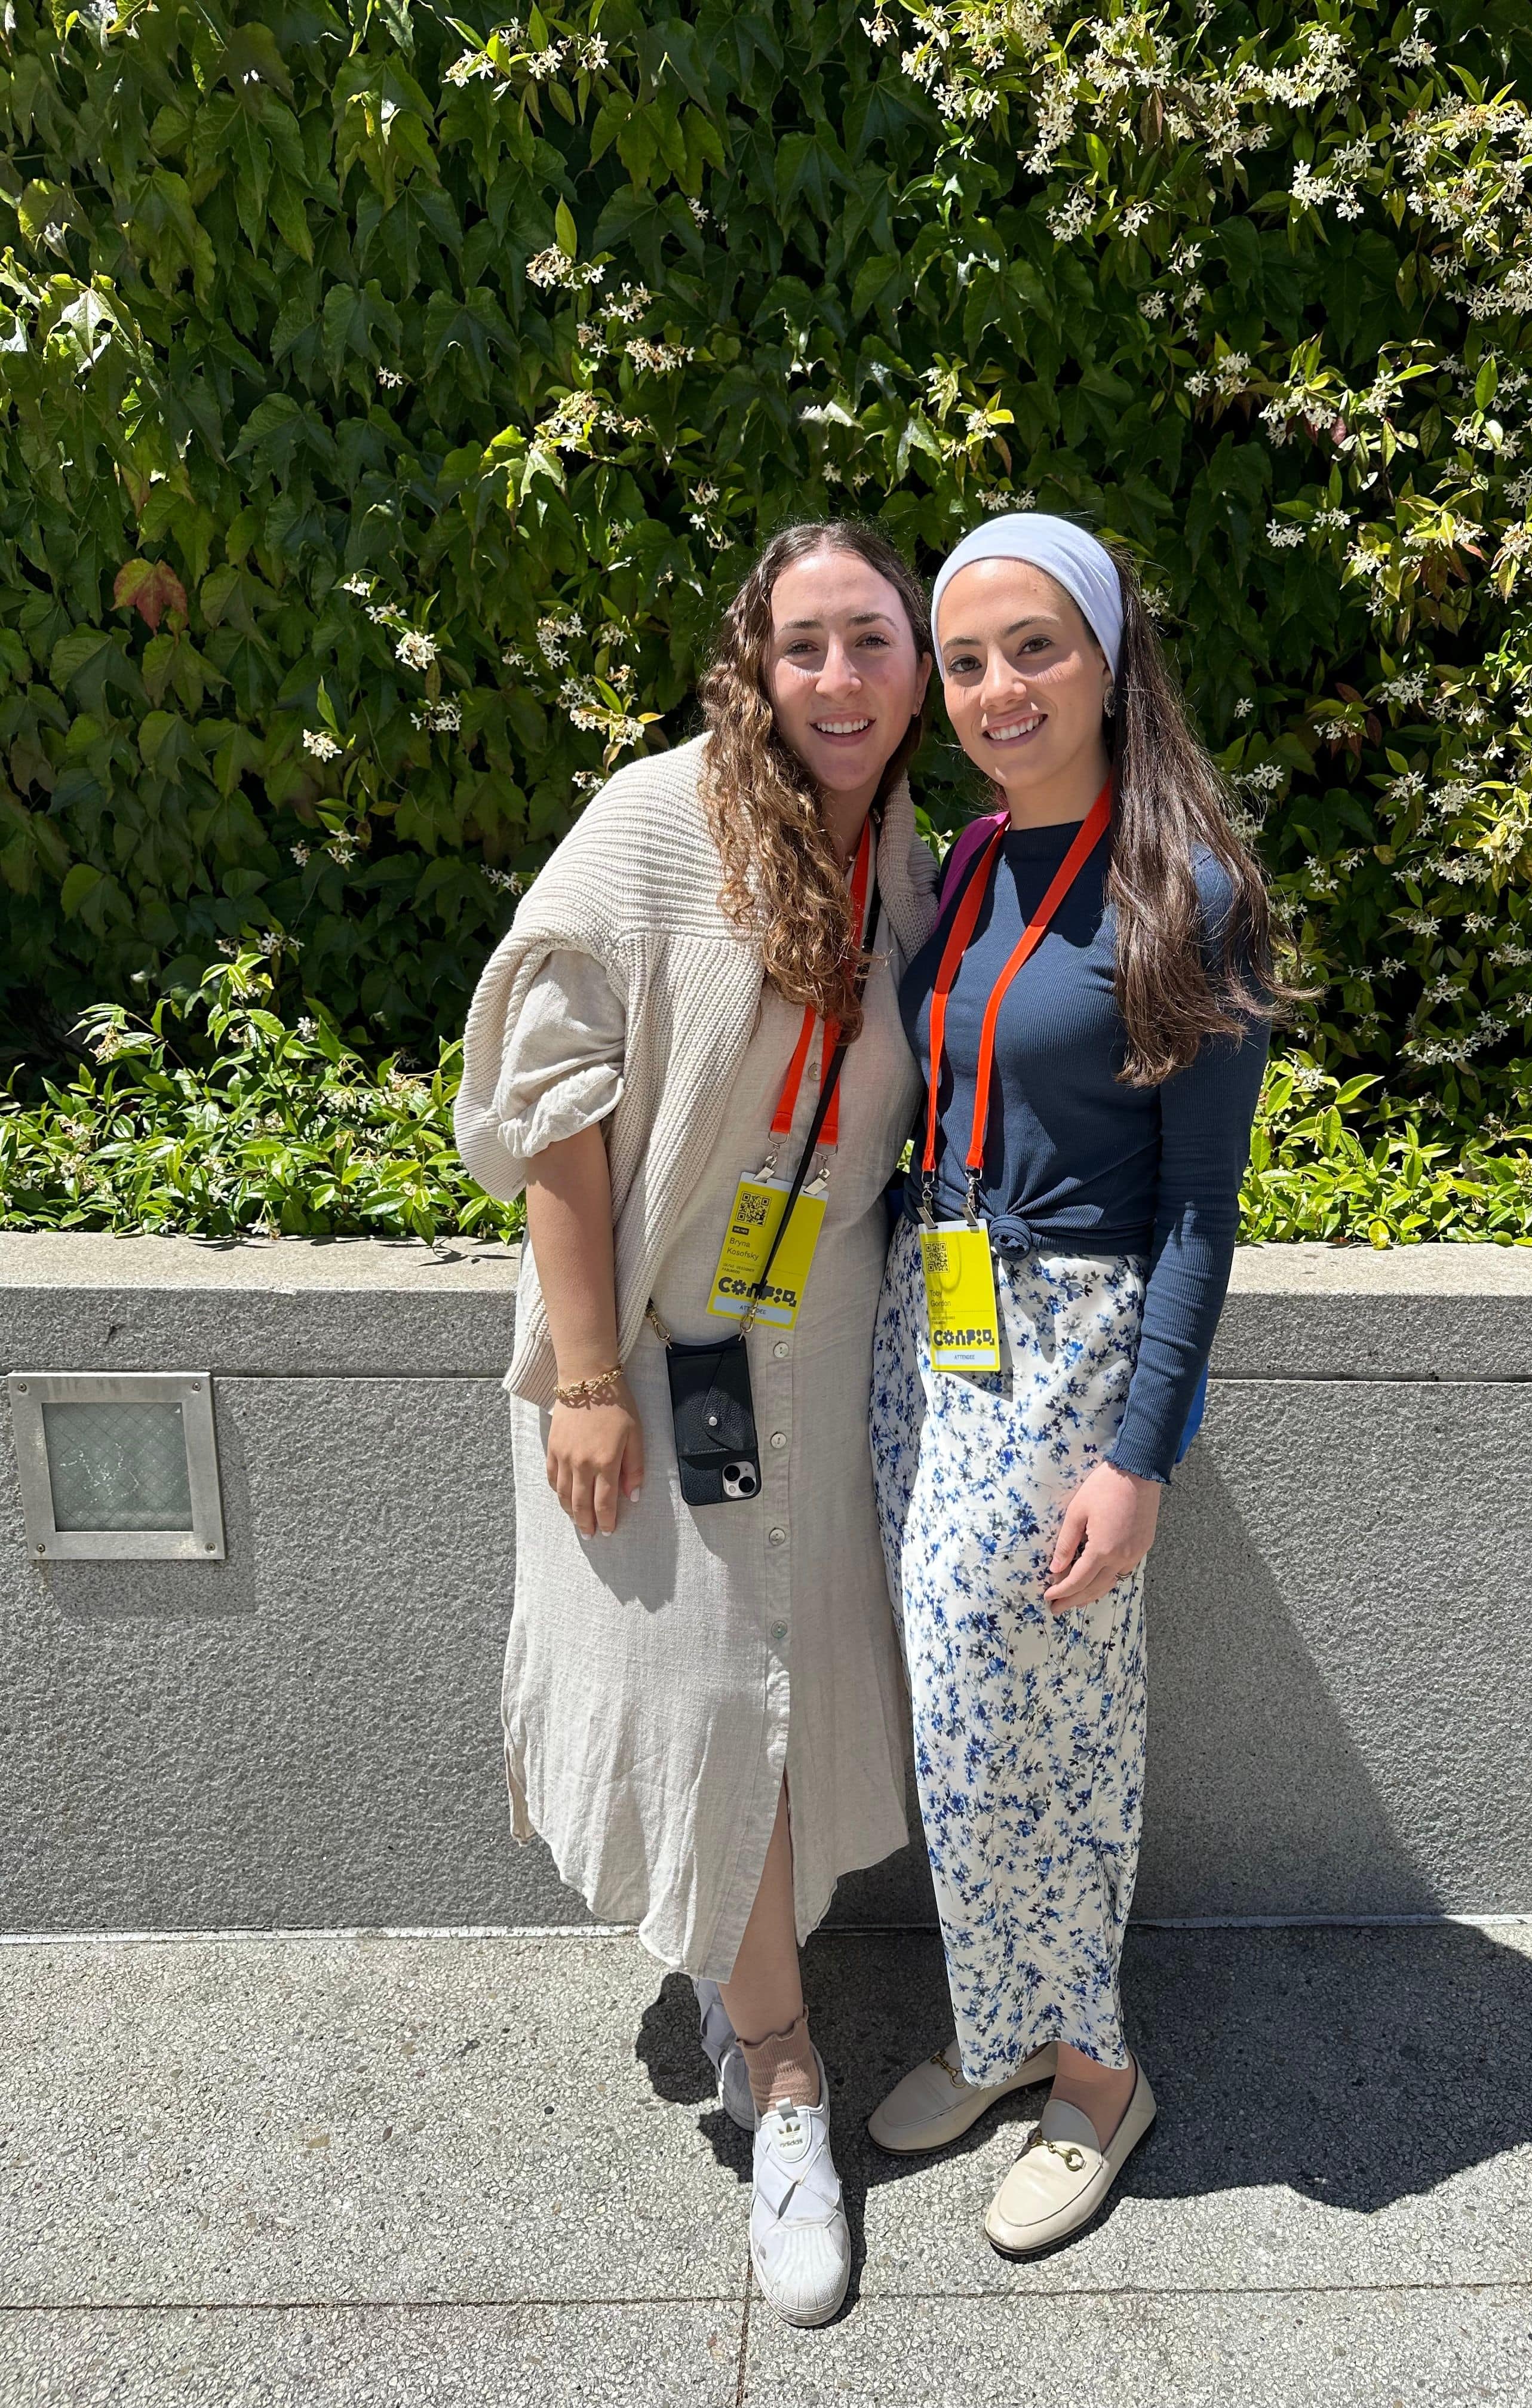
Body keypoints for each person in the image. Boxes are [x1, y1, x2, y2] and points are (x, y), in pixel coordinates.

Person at [454, 523, 940, 2327]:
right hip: (654, 1362)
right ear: (754, 657)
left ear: (916, 662)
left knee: (789, 1698)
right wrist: (586, 1377)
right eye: (803, 645)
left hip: (819, 1360)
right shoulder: (662, 822)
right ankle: (787, 2072)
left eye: (872, 642)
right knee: (705, 1697)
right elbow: (550, 1104)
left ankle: (761, 2010)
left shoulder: (910, 863)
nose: (840, 680)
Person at [866, 512, 1281, 2255]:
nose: (995, 688)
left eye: (1034, 646)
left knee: (1042, 1718)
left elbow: (1200, 1213)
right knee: (960, 1720)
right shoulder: (967, 862)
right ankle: (1005, 2028)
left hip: (1075, 1344)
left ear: (1112, 658)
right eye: (965, 661)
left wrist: (1142, 1455)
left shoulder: (1188, 886)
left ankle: (1098, 2074)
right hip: (936, 1320)